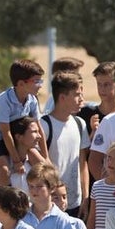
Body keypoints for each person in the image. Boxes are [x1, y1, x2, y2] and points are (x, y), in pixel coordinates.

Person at [0, 60, 48, 180]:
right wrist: (17, 161)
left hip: (17, 136)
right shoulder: (4, 102)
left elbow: (39, 128)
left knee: (44, 167)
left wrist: (46, 156)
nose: (40, 85)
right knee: (5, 171)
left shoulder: (32, 99)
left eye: (40, 81)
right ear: (21, 83)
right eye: (36, 81)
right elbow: (5, 133)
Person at [41, 71, 90, 218]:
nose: (81, 99)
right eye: (76, 94)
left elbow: (83, 163)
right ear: (62, 97)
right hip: (50, 203)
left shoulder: (79, 124)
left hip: (74, 203)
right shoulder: (44, 125)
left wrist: (85, 197)